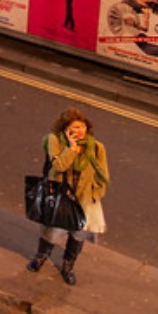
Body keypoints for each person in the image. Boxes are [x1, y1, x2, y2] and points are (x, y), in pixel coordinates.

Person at [28, 108, 110, 285]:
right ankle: (41, 256)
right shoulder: (54, 140)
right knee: (51, 231)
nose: (80, 131)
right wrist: (71, 149)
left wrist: (96, 193)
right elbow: (59, 166)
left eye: (82, 127)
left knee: (77, 235)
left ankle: (68, 266)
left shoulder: (97, 147)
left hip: (85, 200)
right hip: (60, 197)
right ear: (66, 129)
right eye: (74, 127)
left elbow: (103, 175)